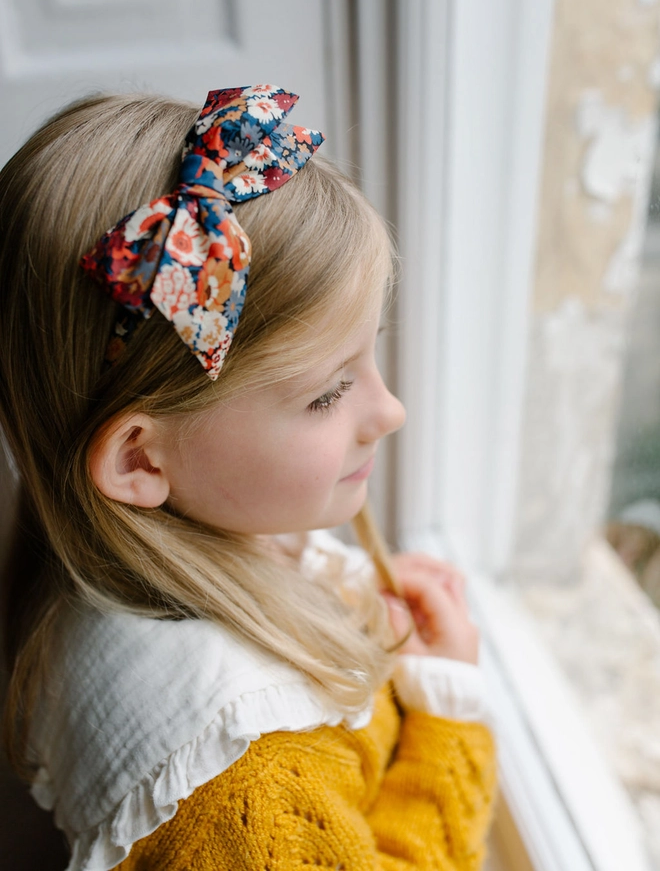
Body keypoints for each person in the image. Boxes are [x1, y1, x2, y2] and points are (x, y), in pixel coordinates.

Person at [0, 85, 496, 871]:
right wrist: (449, 720)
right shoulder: (241, 785)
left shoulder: (110, 549)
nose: (391, 409)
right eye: (328, 392)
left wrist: (349, 597)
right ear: (140, 461)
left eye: (373, 351)